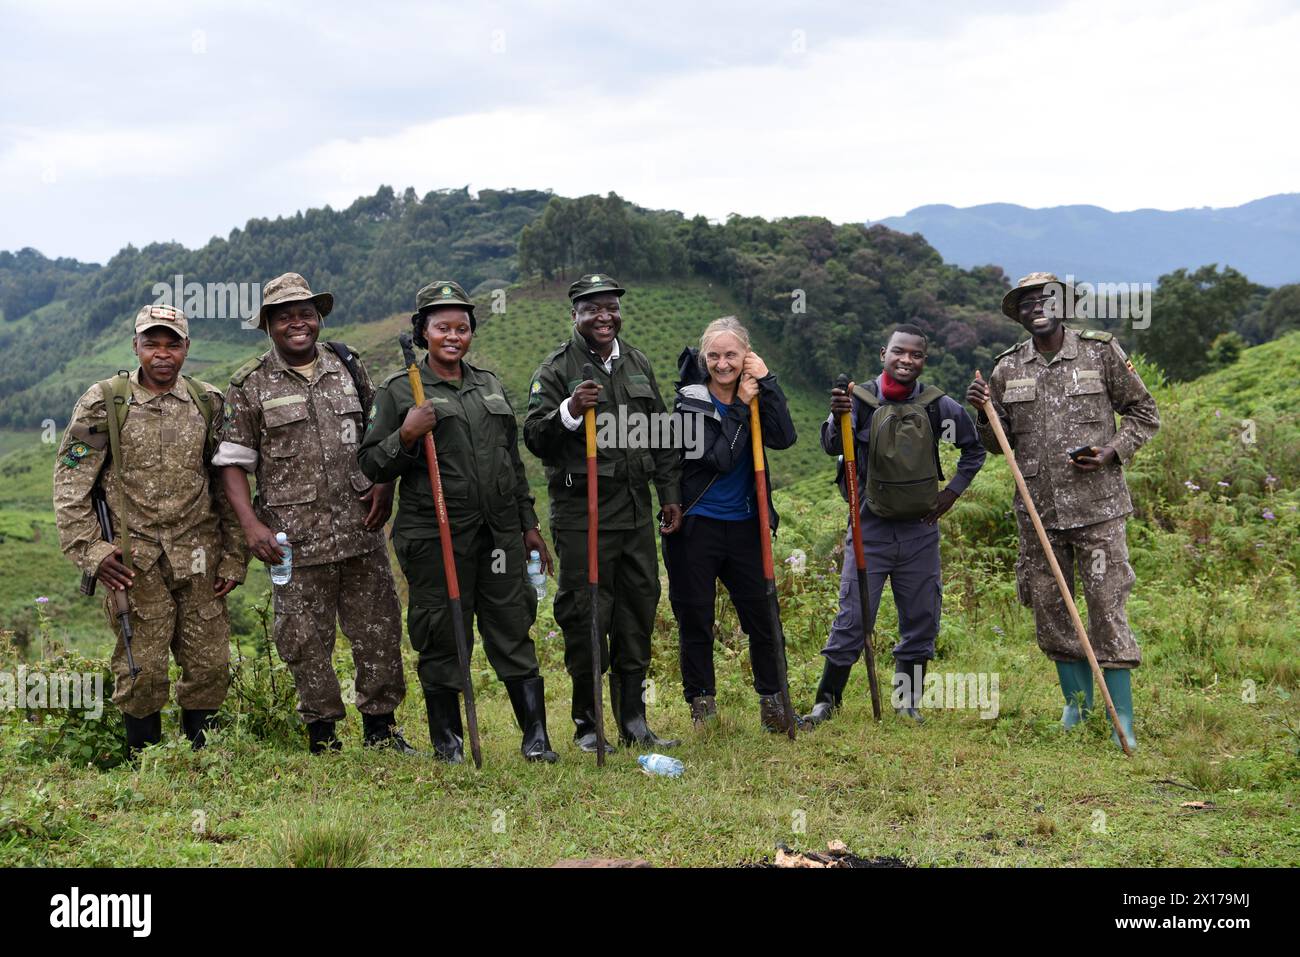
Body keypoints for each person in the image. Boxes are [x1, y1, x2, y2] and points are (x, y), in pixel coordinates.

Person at [358, 280, 558, 763]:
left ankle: (536, 740)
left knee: (512, 627)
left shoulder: (487, 383)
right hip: (435, 536)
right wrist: (405, 435)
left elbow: (509, 464)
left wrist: (528, 524)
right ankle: (448, 744)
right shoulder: (400, 389)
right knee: (444, 633)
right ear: (422, 333)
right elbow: (371, 464)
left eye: (462, 327)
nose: (454, 335)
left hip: (499, 536)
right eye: (442, 327)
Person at [214, 272, 412, 754]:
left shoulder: (348, 365)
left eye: (305, 314)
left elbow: (379, 433)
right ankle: (322, 737)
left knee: (379, 630)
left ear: (318, 317)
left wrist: (384, 485)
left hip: (360, 527)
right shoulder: (249, 384)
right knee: (304, 640)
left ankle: (381, 732)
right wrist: (251, 525)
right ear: (268, 326)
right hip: (292, 540)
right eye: (285, 317)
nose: (297, 323)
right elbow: (233, 465)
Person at [966, 273, 1159, 749]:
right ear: (1020, 314)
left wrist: (1112, 451)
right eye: (1027, 302)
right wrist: (982, 412)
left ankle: (1123, 721)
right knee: (1052, 610)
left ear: (1063, 305)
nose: (1038, 306)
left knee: (1106, 608)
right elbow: (998, 444)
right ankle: (1078, 708)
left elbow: (1143, 412)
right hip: (1039, 513)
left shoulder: (1099, 351)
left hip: (1098, 510)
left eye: (1046, 298)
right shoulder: (1007, 369)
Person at [54, 303, 246, 753]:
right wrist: (94, 553)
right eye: (152, 343)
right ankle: (145, 764)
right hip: (132, 561)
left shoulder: (209, 402)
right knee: (141, 668)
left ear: (187, 348)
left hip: (200, 557)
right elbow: (70, 482)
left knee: (209, 664)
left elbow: (230, 487)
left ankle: (203, 761)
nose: (162, 354)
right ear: (135, 346)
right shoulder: (105, 401)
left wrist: (236, 557)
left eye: (172, 344)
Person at [523, 273, 683, 752]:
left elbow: (660, 432)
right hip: (583, 515)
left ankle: (634, 721)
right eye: (592, 309)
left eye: (610, 307)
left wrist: (669, 492)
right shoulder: (555, 368)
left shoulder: (636, 362)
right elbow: (534, 437)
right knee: (587, 614)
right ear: (574, 314)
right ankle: (589, 726)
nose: (604, 317)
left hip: (635, 512)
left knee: (637, 610)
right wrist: (570, 411)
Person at [805, 323, 986, 725]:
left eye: (916, 355)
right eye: (899, 352)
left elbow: (974, 449)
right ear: (883, 354)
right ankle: (826, 703)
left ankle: (907, 704)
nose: (906, 360)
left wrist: (951, 493)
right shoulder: (860, 400)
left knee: (921, 617)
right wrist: (838, 418)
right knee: (853, 617)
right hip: (869, 527)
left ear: (924, 359)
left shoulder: (939, 406)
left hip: (920, 531)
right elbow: (833, 446)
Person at [665, 316, 799, 732]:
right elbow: (720, 459)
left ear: (747, 357)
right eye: (715, 355)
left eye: (732, 355)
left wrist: (768, 383)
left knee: (763, 617)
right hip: (697, 526)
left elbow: (784, 437)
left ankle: (776, 710)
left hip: (746, 525)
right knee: (696, 620)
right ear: (704, 359)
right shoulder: (689, 402)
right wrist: (740, 405)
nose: (723, 363)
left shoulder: (754, 392)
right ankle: (703, 713)